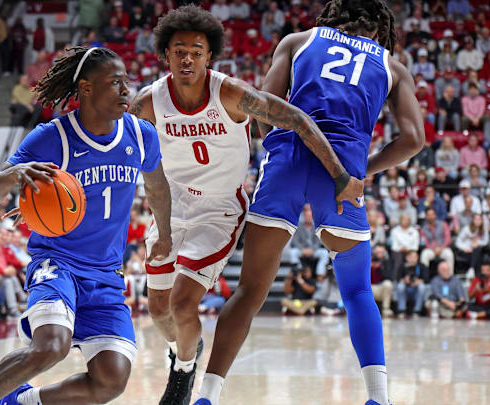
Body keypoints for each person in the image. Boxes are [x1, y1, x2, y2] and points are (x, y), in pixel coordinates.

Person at [127, 6, 364, 403]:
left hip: (219, 209)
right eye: (179, 50)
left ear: (209, 56)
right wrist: (162, 230)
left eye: (196, 51)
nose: (187, 58)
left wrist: (340, 175)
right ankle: (183, 349)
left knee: (183, 304)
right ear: (165, 55)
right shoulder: (147, 103)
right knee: (158, 310)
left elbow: (299, 119)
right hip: (171, 206)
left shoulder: (231, 94)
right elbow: (136, 166)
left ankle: (184, 370)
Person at [193, 1, 425, 404]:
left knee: (249, 292)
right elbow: (414, 140)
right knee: (356, 293)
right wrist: (362, 170)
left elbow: (263, 105)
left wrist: (281, 146)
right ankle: (378, 398)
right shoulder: (393, 66)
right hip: (342, 175)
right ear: (380, 29)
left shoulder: (299, 40)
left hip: (286, 160)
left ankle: (207, 396)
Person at [0, 46, 173, 405]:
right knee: (51, 347)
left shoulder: (141, 135)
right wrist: (14, 175)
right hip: (57, 262)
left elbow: (157, 186)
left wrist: (165, 235)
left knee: (112, 379)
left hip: (106, 272)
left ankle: (21, 401)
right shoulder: (53, 137)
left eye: (127, 82)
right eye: (115, 82)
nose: (126, 90)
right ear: (87, 89)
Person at [291, 204, 330, 276]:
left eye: (310, 215)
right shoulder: (298, 226)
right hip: (302, 250)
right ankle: (298, 272)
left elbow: (318, 241)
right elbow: (295, 241)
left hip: (313, 250)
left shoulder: (316, 226)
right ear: (304, 216)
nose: (308, 217)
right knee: (293, 252)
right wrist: (302, 249)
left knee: (324, 253)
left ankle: (320, 274)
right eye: (306, 215)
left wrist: (313, 250)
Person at [395, 250, 429, 318]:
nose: (413, 259)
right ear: (407, 258)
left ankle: (417, 310)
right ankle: (401, 309)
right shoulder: (402, 266)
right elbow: (397, 278)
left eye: (415, 257)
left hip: (416, 290)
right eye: (411, 257)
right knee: (400, 286)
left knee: (422, 287)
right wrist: (404, 280)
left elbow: (427, 279)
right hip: (405, 290)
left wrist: (418, 281)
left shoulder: (421, 266)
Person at [419, 208, 454, 272]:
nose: (431, 217)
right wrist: (433, 249)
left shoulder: (443, 224)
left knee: (449, 254)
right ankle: (425, 278)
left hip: (443, 248)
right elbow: (424, 242)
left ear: (435, 215)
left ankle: (450, 276)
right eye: (428, 215)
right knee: (424, 254)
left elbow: (448, 239)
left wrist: (441, 248)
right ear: (426, 216)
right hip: (431, 250)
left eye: (432, 214)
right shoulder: (423, 228)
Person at [455, 213, 489, 278]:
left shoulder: (484, 229)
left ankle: (471, 270)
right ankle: (478, 277)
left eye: (479, 219)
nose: (478, 221)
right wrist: (466, 248)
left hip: (478, 250)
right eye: (476, 219)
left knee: (477, 250)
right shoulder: (466, 229)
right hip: (466, 251)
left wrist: (478, 243)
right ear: (473, 220)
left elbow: (486, 241)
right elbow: (458, 242)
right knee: (478, 257)